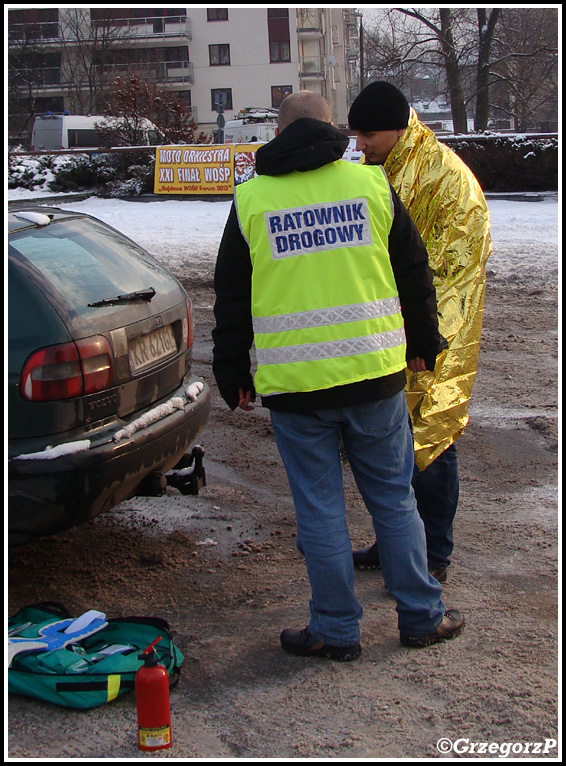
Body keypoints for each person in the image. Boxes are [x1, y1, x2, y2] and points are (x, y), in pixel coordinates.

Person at [212, 90, 464, 661]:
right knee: (395, 501)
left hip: (296, 390)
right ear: (334, 129)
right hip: (374, 375)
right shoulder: (372, 185)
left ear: (278, 133)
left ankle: (335, 630)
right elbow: (414, 270)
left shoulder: (251, 200)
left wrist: (232, 369)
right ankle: (422, 616)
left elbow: (231, 293)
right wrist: (424, 340)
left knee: (320, 511)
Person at [348, 82, 492, 583]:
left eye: (367, 135)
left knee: (431, 442)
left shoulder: (448, 179)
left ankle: (434, 556)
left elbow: (453, 275)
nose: (359, 145)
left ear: (396, 128)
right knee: (390, 449)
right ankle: (396, 545)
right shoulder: (382, 171)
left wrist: (422, 341)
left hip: (433, 337)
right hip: (392, 331)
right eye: (355, 135)